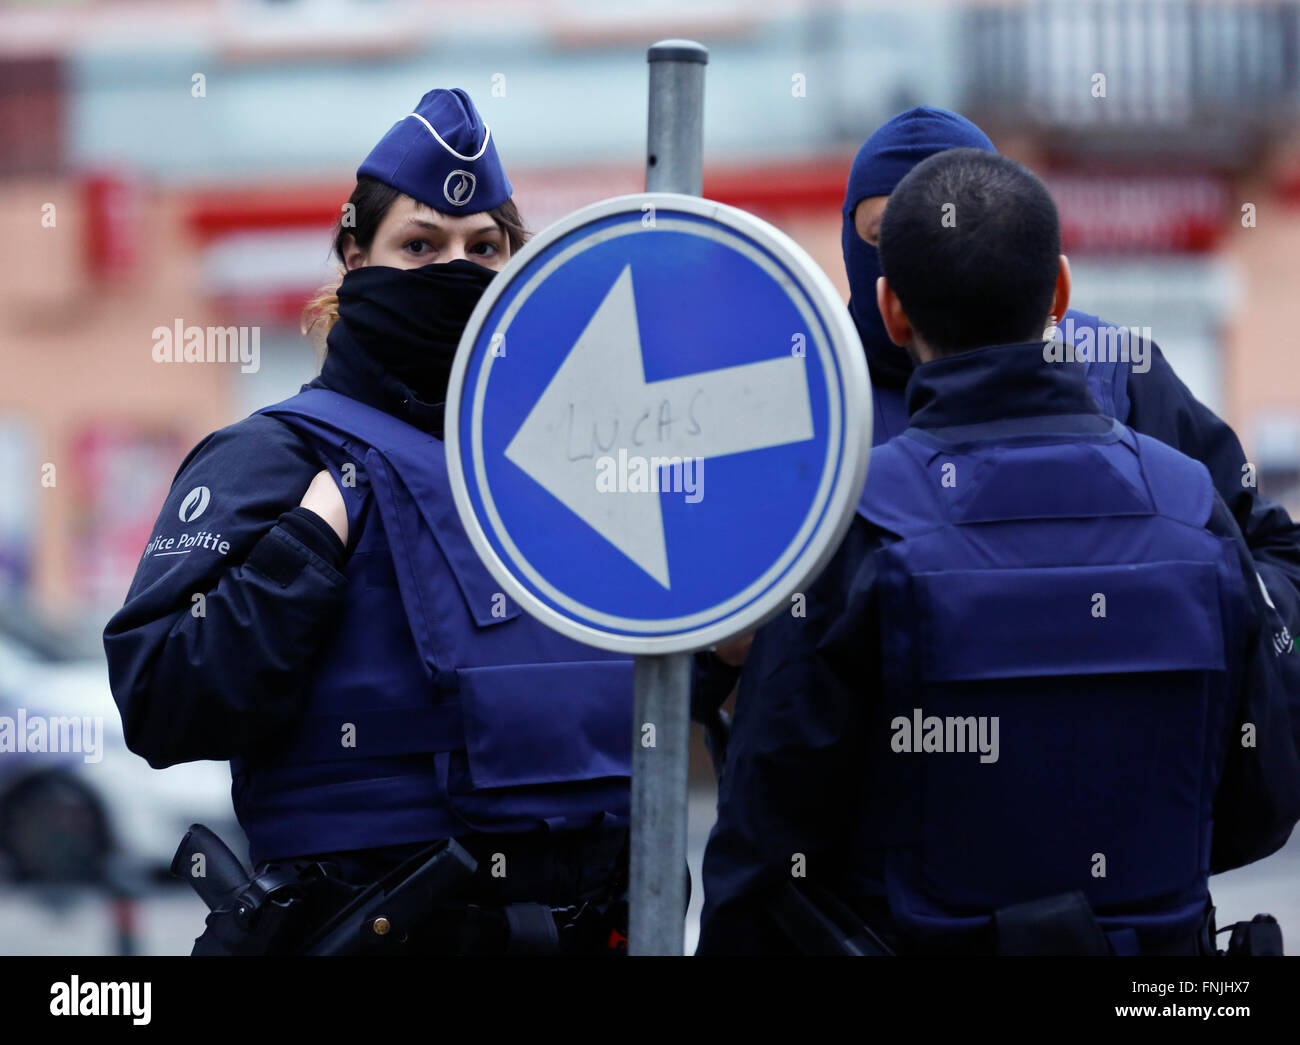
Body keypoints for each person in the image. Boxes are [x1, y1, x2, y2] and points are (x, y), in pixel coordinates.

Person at [697, 149, 1300, 955]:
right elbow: (1264, 789)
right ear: (1059, 291)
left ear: (893, 310)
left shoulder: (851, 524)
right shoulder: (1194, 505)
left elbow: (765, 842)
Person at [103, 88, 634, 956]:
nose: (456, 269)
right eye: (420, 245)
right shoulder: (275, 455)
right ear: (354, 257)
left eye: (484, 248)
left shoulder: (565, 464)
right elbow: (161, 698)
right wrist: (305, 548)